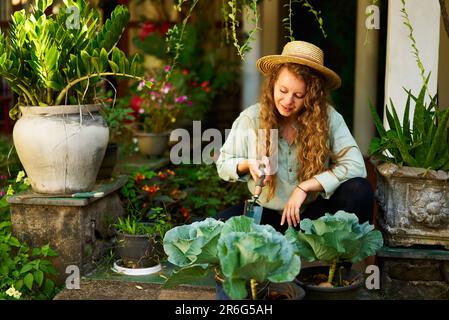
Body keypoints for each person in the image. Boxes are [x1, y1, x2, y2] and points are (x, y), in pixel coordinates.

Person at [215, 40, 373, 233]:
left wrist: (305, 187)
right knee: (216, 227)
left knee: (359, 190)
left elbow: (356, 166)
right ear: (273, 84)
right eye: (283, 91)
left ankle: (340, 262)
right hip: (267, 216)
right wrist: (248, 164)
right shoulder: (251, 117)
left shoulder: (329, 118)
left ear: (312, 95)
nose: (288, 101)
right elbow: (223, 164)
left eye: (299, 95)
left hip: (313, 216)